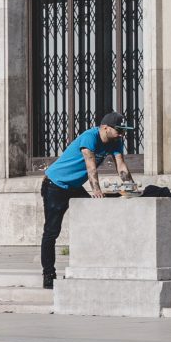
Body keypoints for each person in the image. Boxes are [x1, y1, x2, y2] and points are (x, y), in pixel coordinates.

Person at [39, 110, 132, 290]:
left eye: (124, 131)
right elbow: (91, 167)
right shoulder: (90, 137)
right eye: (119, 130)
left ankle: (86, 267)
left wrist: (130, 188)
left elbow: (121, 164)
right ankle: (48, 275)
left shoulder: (116, 141)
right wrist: (96, 190)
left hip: (74, 186)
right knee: (51, 231)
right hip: (55, 184)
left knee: (92, 222)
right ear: (105, 128)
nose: (122, 134)